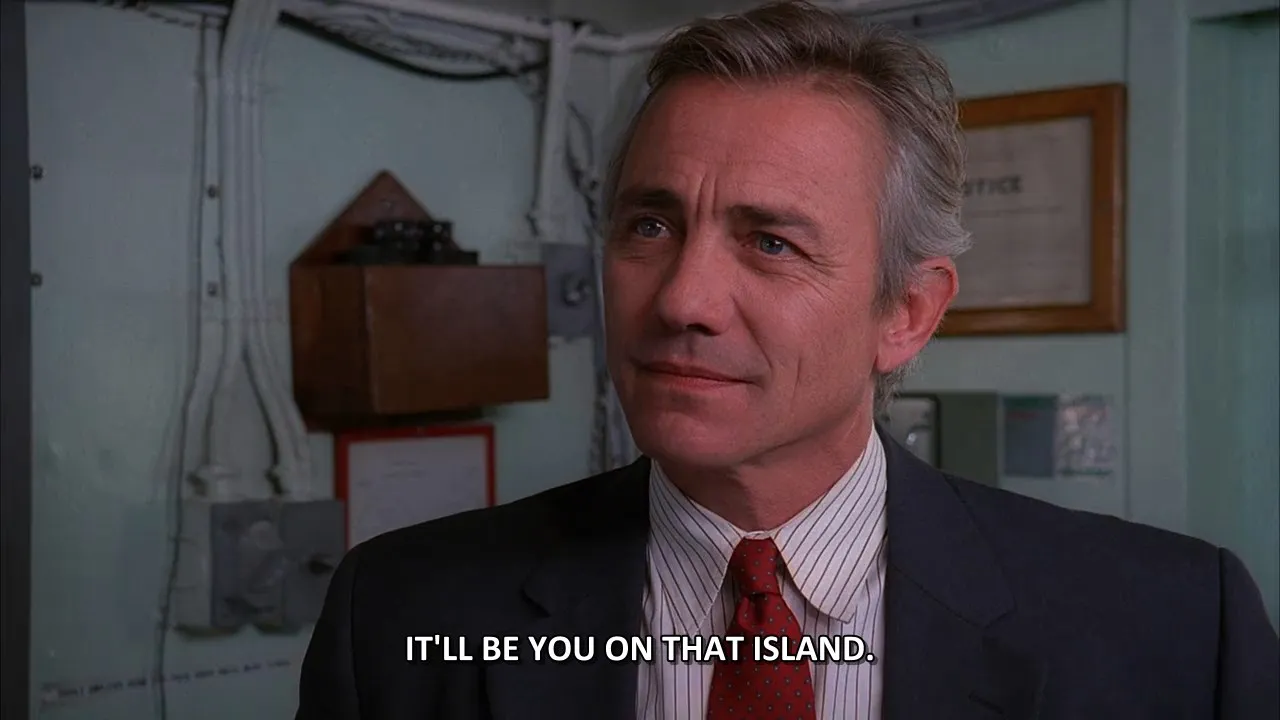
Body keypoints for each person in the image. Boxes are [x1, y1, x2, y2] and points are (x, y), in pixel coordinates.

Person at [296, 2, 1279, 718]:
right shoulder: (399, 614)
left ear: (905, 313)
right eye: (650, 225)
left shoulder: (1175, 628)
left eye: (770, 242)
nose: (680, 300)